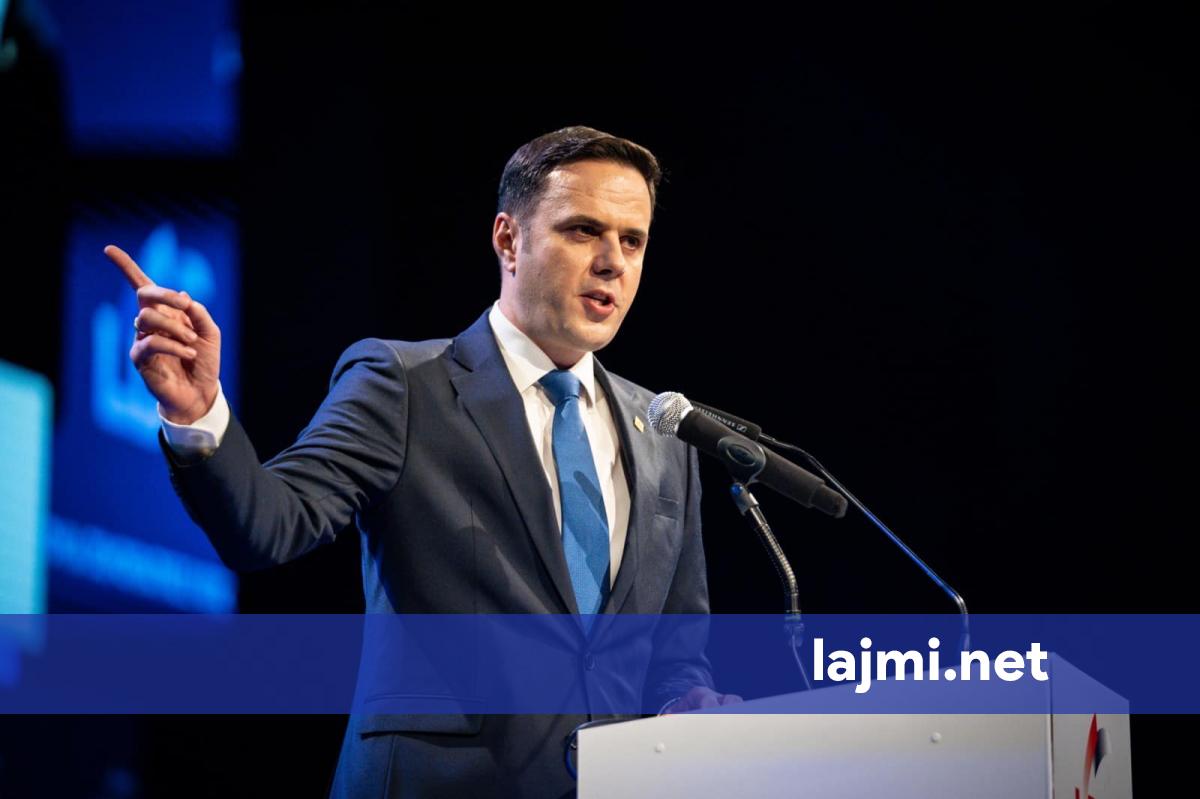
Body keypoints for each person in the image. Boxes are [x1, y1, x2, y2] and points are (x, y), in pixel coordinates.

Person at [109, 126, 739, 798]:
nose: (613, 262)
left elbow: (675, 652)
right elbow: (266, 525)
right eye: (584, 231)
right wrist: (199, 412)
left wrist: (686, 703)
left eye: (632, 240)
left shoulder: (665, 432)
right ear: (509, 240)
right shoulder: (405, 385)